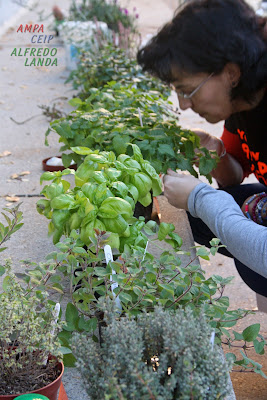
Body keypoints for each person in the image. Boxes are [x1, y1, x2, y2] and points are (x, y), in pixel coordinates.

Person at [137, 0, 267, 296]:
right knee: (203, 218)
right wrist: (213, 150)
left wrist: (198, 196)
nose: (183, 105)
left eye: (187, 89)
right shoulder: (244, 97)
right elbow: (233, 176)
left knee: (248, 255)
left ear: (230, 73)